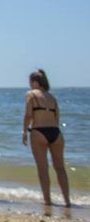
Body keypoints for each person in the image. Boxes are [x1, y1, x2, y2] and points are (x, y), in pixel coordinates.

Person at [22, 69, 70, 207]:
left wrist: (24, 131)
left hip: (39, 131)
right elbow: (57, 118)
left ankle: (47, 200)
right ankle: (67, 200)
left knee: (43, 168)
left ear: (35, 82)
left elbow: (28, 115)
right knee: (60, 168)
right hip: (55, 132)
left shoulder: (31, 94)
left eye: (31, 82)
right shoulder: (51, 97)